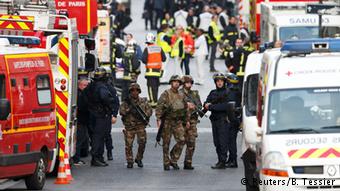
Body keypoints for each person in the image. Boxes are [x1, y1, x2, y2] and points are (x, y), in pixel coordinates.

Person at [156, 75, 192, 170]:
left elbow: (185, 108)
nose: (176, 83)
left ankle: (174, 159)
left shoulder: (181, 95)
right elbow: (159, 107)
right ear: (171, 83)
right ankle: (166, 162)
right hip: (167, 121)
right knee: (166, 143)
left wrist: (187, 120)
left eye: (178, 82)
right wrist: (158, 119)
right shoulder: (166, 94)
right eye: (174, 81)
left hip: (178, 122)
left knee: (182, 140)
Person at [87, 67, 119, 167]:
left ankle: (99, 158)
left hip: (93, 114)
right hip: (101, 115)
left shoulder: (91, 86)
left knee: (96, 137)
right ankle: (96, 158)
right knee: (99, 137)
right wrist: (110, 107)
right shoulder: (102, 87)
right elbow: (106, 98)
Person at [120, 83, 153, 168]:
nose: (134, 92)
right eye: (132, 91)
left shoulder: (143, 101)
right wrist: (129, 109)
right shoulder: (126, 102)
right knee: (128, 145)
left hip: (140, 126)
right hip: (129, 127)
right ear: (130, 92)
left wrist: (144, 115)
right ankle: (129, 160)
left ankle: (139, 158)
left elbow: (149, 111)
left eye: (136, 91)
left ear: (139, 92)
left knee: (142, 143)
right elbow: (121, 112)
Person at [204, 73, 230, 169]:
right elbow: (206, 102)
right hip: (214, 120)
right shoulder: (213, 92)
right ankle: (220, 160)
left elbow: (225, 106)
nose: (219, 83)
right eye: (217, 81)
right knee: (217, 142)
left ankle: (222, 161)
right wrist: (206, 105)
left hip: (223, 120)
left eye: (221, 81)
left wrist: (211, 106)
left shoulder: (227, 92)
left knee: (223, 142)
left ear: (224, 82)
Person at [180, 75, 202, 170]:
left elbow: (199, 106)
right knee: (180, 142)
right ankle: (173, 160)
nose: (189, 84)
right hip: (181, 121)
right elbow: (174, 106)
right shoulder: (179, 93)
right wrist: (186, 106)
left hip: (192, 120)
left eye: (190, 83)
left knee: (191, 142)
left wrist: (194, 108)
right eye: (187, 82)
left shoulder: (195, 94)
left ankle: (188, 162)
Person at [142, 33, 167, 107]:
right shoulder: (159, 48)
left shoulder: (147, 49)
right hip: (158, 71)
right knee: (156, 86)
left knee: (150, 87)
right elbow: (164, 59)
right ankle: (155, 100)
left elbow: (144, 60)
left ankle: (153, 102)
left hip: (150, 71)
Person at [73, 70, 90, 165]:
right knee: (79, 139)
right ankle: (76, 159)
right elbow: (82, 107)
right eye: (85, 85)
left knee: (81, 139)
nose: (86, 87)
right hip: (80, 121)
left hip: (82, 120)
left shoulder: (81, 93)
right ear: (80, 85)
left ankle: (77, 158)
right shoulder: (80, 95)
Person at [225, 73, 242, 168]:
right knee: (231, 140)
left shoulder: (231, 91)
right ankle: (231, 159)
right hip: (236, 118)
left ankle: (233, 160)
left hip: (232, 118)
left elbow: (229, 106)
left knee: (231, 141)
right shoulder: (238, 90)